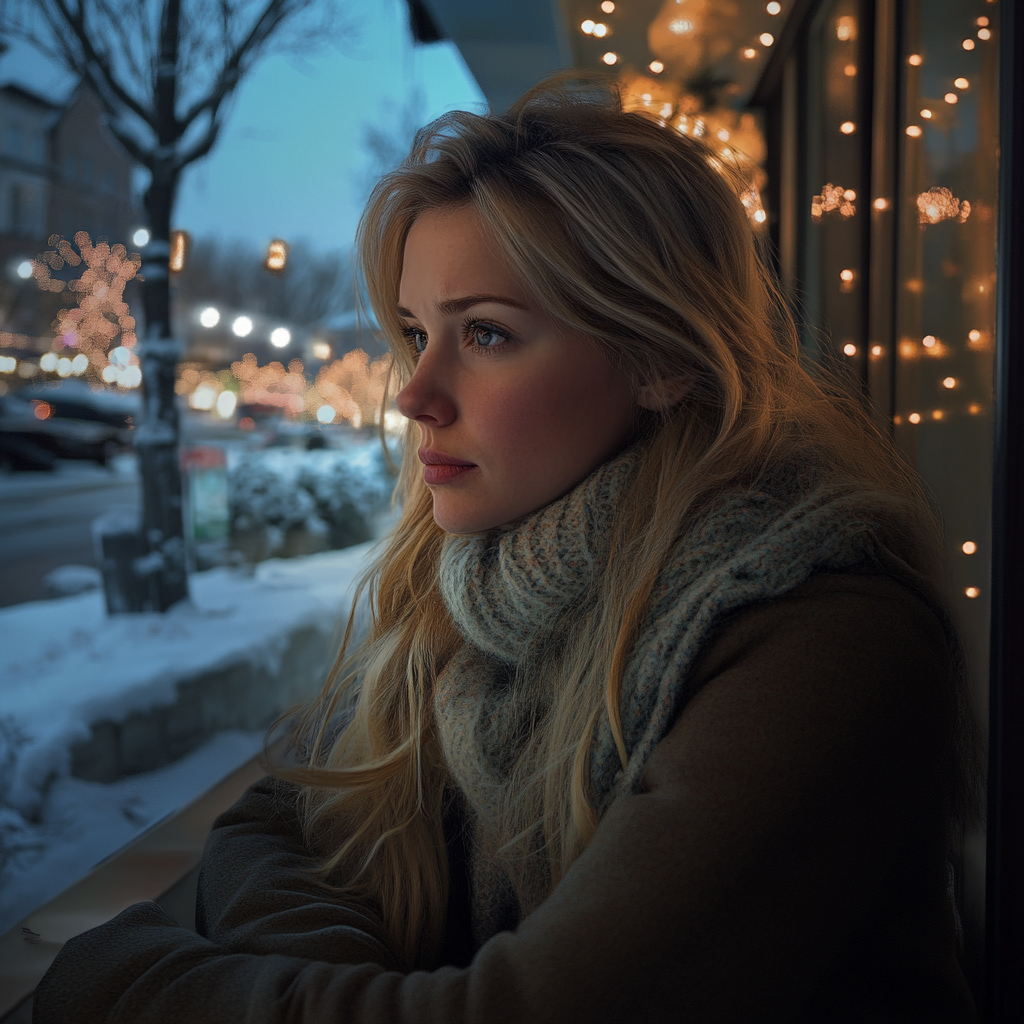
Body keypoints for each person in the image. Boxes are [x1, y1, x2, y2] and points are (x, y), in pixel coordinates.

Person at [35, 75, 979, 1023]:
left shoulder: (824, 638)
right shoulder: (473, 581)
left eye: (485, 332)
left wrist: (127, 986)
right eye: (416, 333)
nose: (414, 393)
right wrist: (350, 970)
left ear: (660, 358)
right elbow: (278, 816)